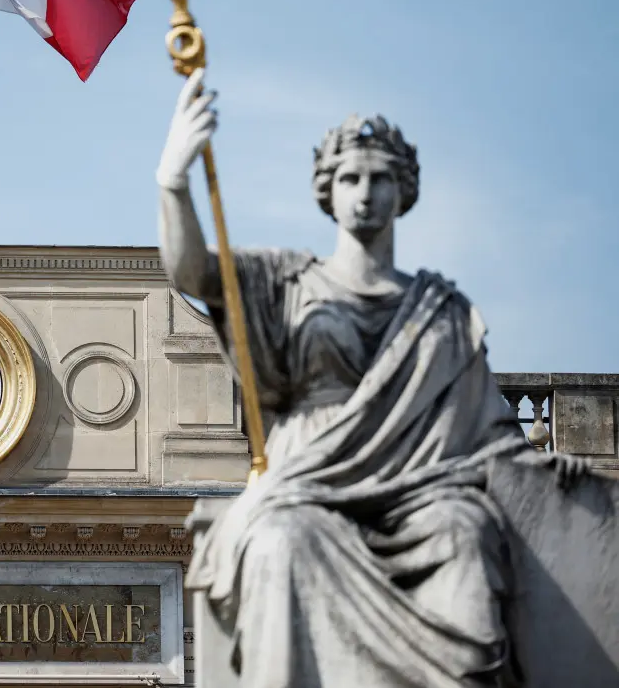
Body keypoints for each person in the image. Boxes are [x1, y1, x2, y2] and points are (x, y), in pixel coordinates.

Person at [157, 69, 589, 688]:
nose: (364, 193)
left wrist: (547, 468)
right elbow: (193, 273)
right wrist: (173, 179)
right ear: (326, 192)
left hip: (424, 490)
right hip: (310, 484)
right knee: (281, 540)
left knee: (466, 535)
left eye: (379, 179)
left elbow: (489, 431)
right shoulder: (285, 282)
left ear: (402, 191)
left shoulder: (441, 311)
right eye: (350, 178)